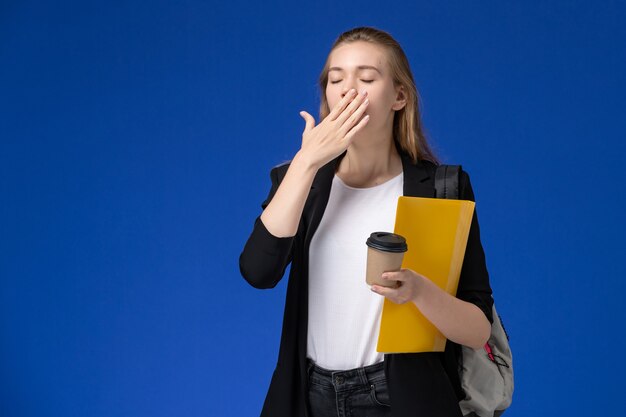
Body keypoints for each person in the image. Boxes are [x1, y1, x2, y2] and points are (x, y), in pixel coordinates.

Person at [239, 26, 494, 417]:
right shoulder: (300, 180)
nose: (347, 89)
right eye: (335, 78)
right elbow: (258, 272)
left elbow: (478, 330)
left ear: (399, 96)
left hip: (400, 398)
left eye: (367, 77)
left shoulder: (441, 187)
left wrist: (419, 292)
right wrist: (306, 162)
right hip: (309, 396)